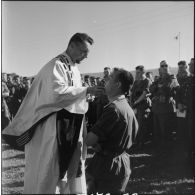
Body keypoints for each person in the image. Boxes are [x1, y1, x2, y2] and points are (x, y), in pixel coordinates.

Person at [2, 33, 104, 194]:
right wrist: (86, 90)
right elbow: (55, 94)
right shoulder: (56, 65)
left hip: (69, 125)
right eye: (83, 51)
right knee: (50, 169)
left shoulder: (73, 67)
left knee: (69, 168)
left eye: (87, 53)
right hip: (52, 126)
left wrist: (86, 95)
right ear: (71, 46)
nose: (85, 56)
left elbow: (73, 95)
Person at [85, 67, 138, 194]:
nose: (106, 81)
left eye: (110, 79)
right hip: (119, 163)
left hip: (107, 166)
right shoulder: (125, 106)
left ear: (118, 84)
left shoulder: (113, 109)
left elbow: (89, 140)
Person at [150, 60, 179, 154]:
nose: (164, 67)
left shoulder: (171, 77)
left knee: (166, 130)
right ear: (160, 68)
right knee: (157, 130)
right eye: (162, 66)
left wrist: (159, 88)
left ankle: (166, 150)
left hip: (166, 108)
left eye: (166, 65)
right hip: (156, 108)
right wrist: (158, 87)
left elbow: (168, 89)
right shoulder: (158, 79)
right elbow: (151, 89)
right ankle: (160, 149)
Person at [131, 65, 152, 149]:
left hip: (143, 105)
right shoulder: (136, 82)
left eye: (139, 72)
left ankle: (141, 143)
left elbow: (144, 94)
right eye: (136, 72)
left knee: (141, 124)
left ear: (143, 72)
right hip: (135, 105)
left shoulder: (147, 81)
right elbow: (132, 93)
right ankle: (136, 141)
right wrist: (131, 103)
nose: (137, 74)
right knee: (135, 124)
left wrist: (136, 102)